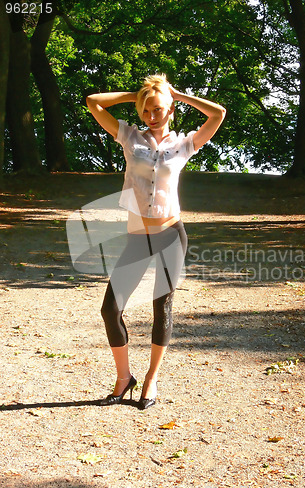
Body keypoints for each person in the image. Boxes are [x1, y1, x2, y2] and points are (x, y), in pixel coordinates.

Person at [86, 74, 226, 410]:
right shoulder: (129, 137)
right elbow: (93, 102)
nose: (152, 115)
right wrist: (138, 94)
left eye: (159, 109)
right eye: (147, 110)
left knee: (161, 308)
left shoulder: (184, 144)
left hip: (170, 236)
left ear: (171, 108)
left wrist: (177, 93)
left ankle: (151, 379)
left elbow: (218, 114)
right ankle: (124, 377)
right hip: (137, 237)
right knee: (110, 309)